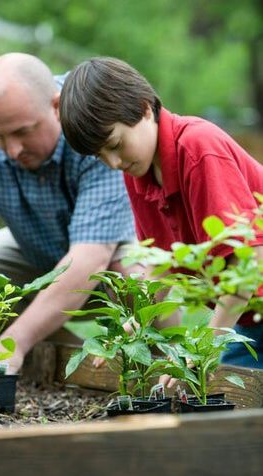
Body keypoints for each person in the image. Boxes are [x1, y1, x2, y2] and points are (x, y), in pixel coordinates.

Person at [0, 53, 136, 376]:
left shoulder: (92, 122)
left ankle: (166, 365)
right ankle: (68, 362)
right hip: (33, 249)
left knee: (139, 278)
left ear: (55, 106)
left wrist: (14, 342)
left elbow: (89, 259)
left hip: (109, 251)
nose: (12, 149)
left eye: (23, 132)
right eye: (0, 136)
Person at [59, 56, 263, 369]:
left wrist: (203, 347)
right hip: (250, 318)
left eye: (115, 144)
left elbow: (249, 261)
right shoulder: (137, 173)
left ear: (144, 108)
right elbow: (160, 266)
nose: (113, 162)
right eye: (100, 156)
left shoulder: (197, 148)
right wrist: (135, 325)